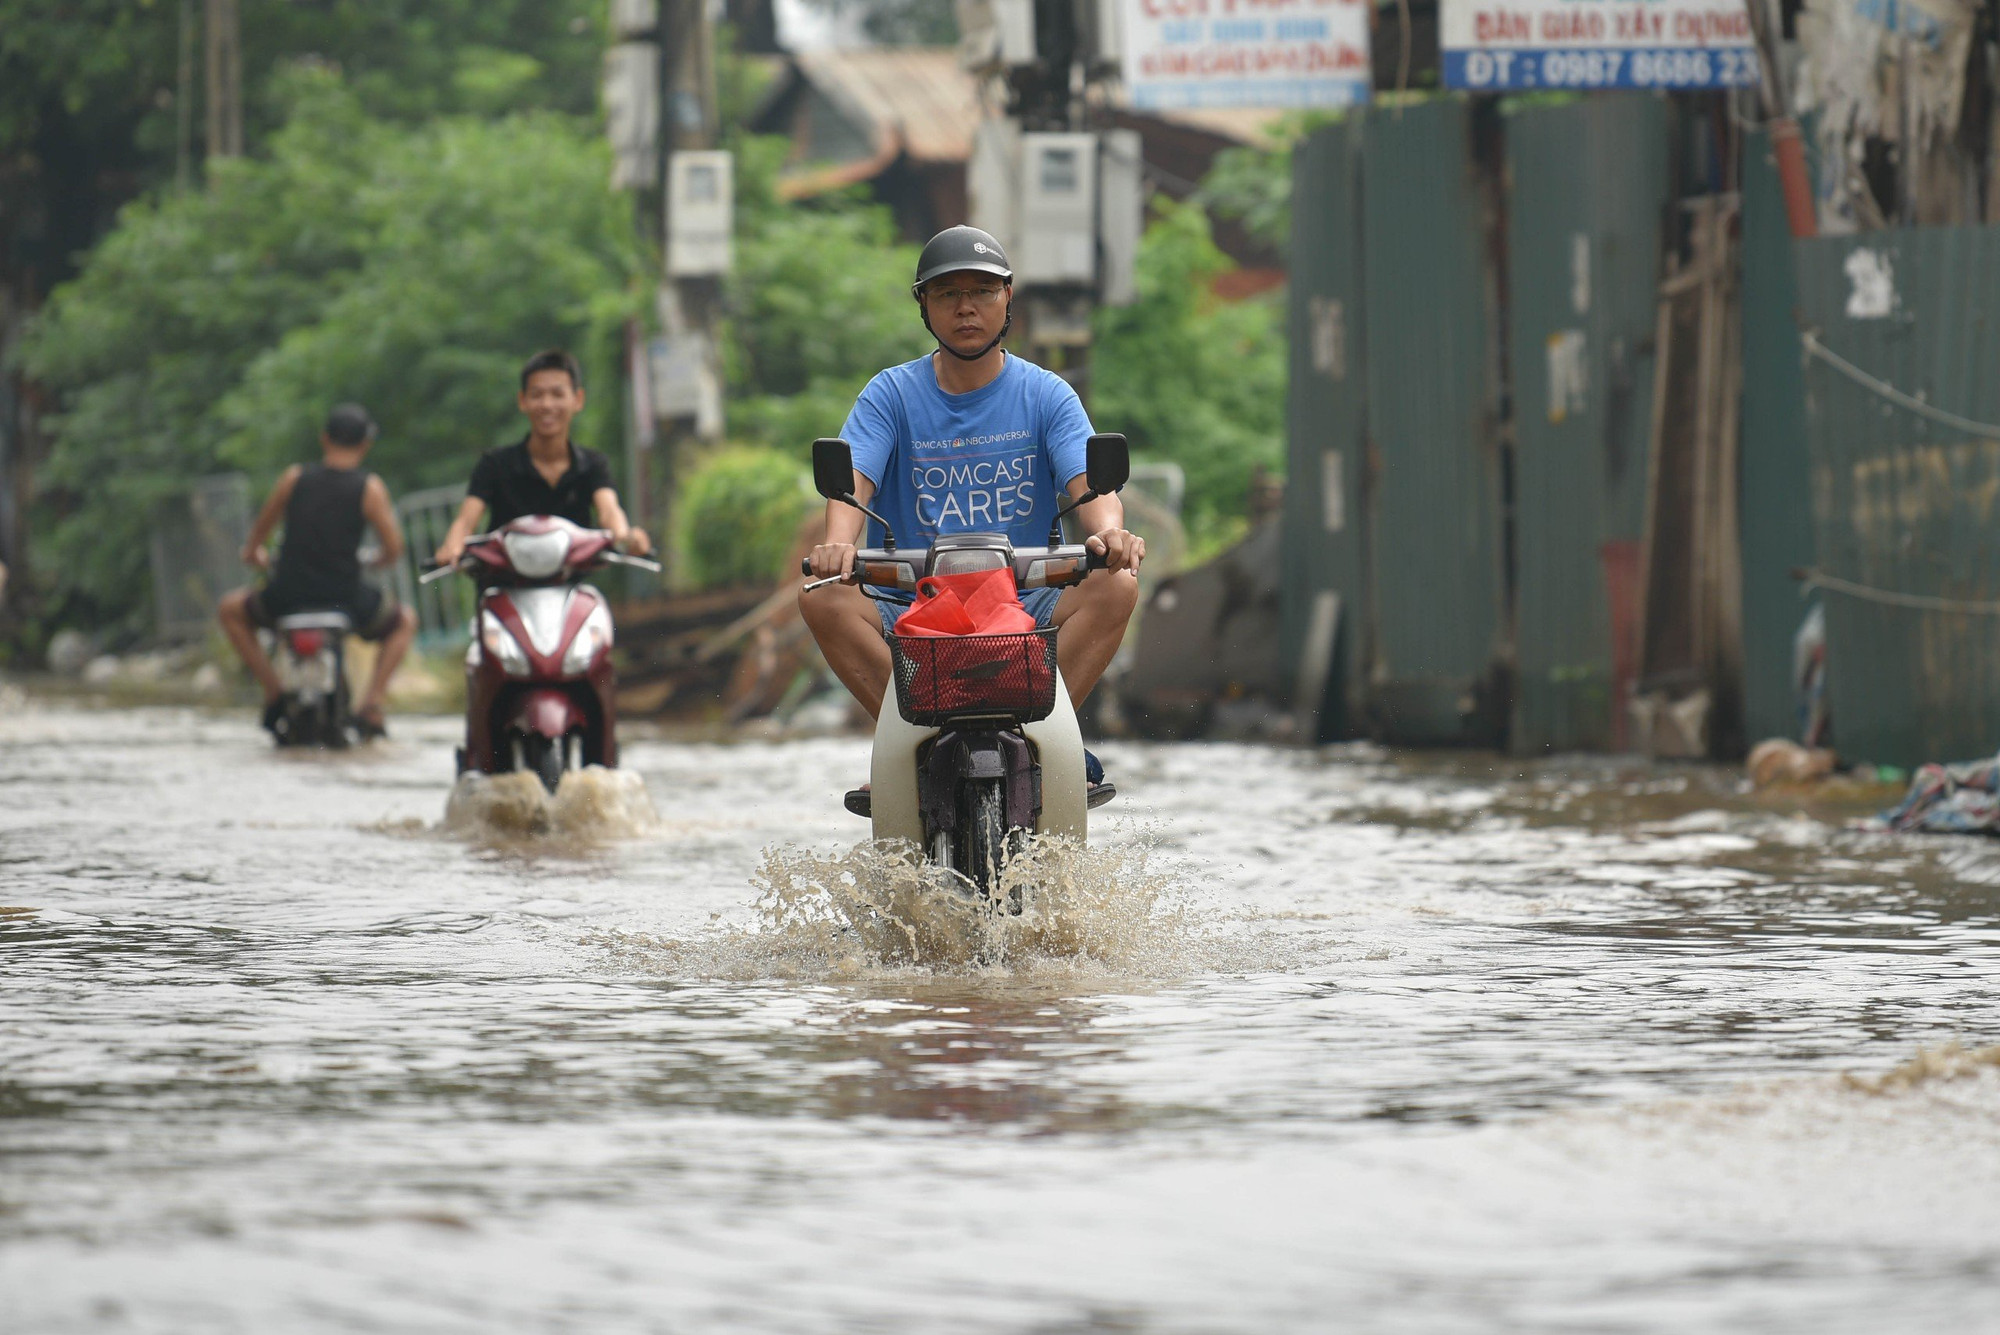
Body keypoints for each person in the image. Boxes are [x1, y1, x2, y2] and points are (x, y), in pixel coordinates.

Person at [799, 225, 1144, 792]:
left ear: (1008, 298)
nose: (966, 308)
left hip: (1024, 604)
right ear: (924, 306)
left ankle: (1046, 737)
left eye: (982, 291)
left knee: (1119, 584)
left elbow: (1094, 487)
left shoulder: (1047, 394)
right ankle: (908, 739)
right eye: (947, 294)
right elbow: (850, 487)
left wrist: (1111, 535)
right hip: (912, 611)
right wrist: (839, 545)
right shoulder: (888, 394)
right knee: (821, 596)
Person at [217, 403, 418, 738]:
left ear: (324, 439)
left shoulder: (294, 479)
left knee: (230, 609)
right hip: (346, 598)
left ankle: (273, 691)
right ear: (365, 444)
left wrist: (255, 554)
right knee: (405, 621)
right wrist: (380, 559)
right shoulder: (370, 488)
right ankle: (371, 704)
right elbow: (394, 548)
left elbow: (258, 535)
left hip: (287, 595)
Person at [432, 349, 651, 568]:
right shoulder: (494, 464)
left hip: (571, 587)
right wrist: (453, 546)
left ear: (578, 399)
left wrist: (625, 537)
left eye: (557, 394)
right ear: (522, 400)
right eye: (537, 395)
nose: (547, 405)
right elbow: (466, 520)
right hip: (503, 588)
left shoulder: (593, 465)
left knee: (597, 604)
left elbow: (609, 511)